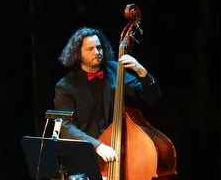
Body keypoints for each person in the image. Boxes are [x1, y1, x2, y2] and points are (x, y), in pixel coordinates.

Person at [53, 26, 160, 163]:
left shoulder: (115, 70)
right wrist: (97, 146)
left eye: (99, 47)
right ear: (77, 53)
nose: (97, 52)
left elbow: (151, 98)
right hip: (84, 160)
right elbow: (65, 126)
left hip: (118, 155)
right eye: (90, 49)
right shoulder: (65, 86)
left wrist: (141, 72)